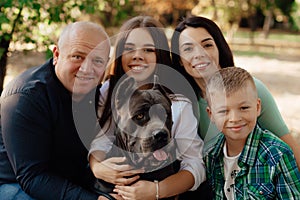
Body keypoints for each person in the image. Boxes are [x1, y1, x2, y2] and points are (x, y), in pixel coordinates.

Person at [89, 15, 206, 200]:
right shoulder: (108, 92)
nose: (138, 55)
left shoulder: (178, 103)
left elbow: (194, 164)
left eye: (148, 49)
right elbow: (101, 140)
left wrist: (157, 191)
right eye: (129, 49)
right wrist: (98, 168)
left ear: (159, 55)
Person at [170, 15, 300, 170]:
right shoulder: (184, 105)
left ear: (219, 48)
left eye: (207, 45)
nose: (199, 54)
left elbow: (291, 151)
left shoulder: (253, 89)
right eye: (188, 49)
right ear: (179, 59)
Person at [0, 21, 112, 200]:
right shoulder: (26, 97)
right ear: (57, 55)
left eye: (97, 60)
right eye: (77, 56)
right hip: (16, 184)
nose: (86, 69)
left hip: (66, 178)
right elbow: (32, 177)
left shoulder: (98, 93)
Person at [204, 66, 300, 199]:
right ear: (211, 115)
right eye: (223, 111)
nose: (235, 119)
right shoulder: (211, 155)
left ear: (258, 107)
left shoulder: (277, 155)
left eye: (244, 108)